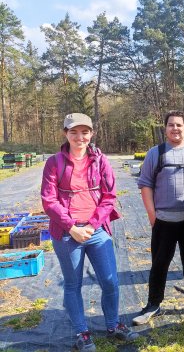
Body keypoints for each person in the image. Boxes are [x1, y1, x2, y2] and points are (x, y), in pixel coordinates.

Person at [41, 113, 139, 352]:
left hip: (96, 230)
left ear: (92, 133)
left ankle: (113, 325)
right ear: (65, 133)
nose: (79, 137)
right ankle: (81, 332)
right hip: (67, 232)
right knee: (73, 284)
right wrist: (72, 227)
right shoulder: (54, 163)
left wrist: (92, 225)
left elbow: (109, 197)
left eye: (84, 132)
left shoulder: (100, 160)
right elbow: (49, 200)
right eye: (73, 132)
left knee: (110, 281)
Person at [133, 110, 184, 325]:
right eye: (171, 125)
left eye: (179, 125)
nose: (175, 129)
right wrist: (152, 216)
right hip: (163, 221)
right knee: (159, 264)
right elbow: (145, 185)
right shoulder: (155, 154)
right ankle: (153, 304)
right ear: (165, 129)